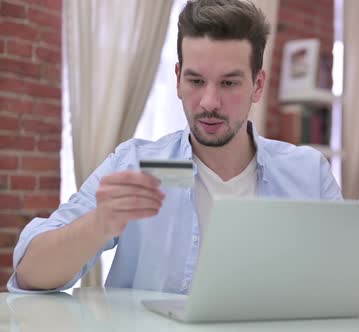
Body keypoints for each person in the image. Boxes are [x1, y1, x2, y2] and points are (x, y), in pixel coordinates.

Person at [9, 0, 341, 294]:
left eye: (229, 83)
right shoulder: (137, 164)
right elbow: (29, 274)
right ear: (179, 79)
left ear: (257, 85)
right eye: (196, 81)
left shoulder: (308, 173)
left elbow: (342, 289)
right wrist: (98, 224)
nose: (209, 102)